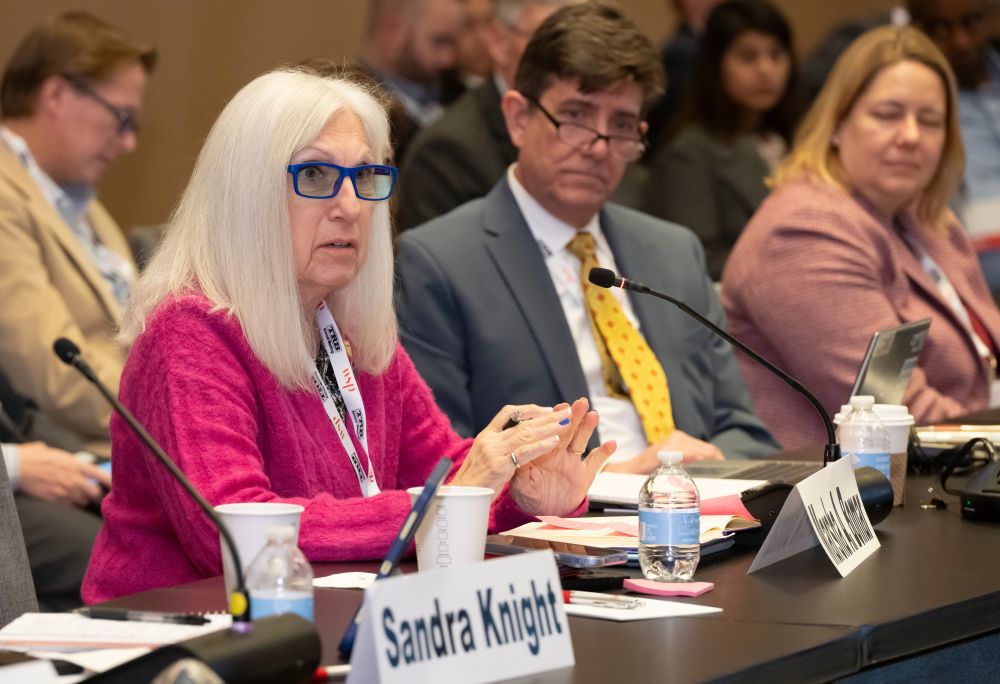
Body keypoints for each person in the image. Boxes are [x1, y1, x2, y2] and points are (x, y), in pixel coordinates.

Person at [82, 69, 613, 602]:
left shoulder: (351, 328)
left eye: (364, 177)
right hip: (182, 640)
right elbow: (233, 532)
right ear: (245, 193)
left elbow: (448, 475)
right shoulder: (189, 332)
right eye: (314, 176)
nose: (351, 206)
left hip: (332, 617)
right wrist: (455, 493)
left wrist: (524, 490)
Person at [397, 2, 779, 476]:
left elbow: (742, 429)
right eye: (575, 115)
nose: (598, 146)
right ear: (518, 118)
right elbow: (442, 464)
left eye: (620, 125)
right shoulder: (439, 262)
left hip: (698, 516)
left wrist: (701, 469)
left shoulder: (674, 251)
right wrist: (606, 480)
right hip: (558, 535)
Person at [722, 25, 1000, 450]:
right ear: (836, 124)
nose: (910, 136)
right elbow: (894, 413)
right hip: (852, 496)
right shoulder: (805, 232)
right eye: (887, 115)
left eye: (929, 121)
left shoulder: (930, 219)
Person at [0, 12, 156, 458]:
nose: (129, 143)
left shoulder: (79, 200)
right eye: (121, 117)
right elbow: (54, 371)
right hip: (71, 454)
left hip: (125, 433)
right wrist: (169, 411)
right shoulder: (5, 195)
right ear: (56, 94)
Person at [642, 0, 799, 281]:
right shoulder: (689, 151)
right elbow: (699, 257)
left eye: (776, 54)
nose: (766, 69)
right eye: (748, 57)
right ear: (716, 65)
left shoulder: (795, 138)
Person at [395, 0, 571, 231]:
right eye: (548, 42)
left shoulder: (602, 139)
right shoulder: (446, 151)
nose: (567, 59)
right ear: (499, 41)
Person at [908, 0, 1000, 294]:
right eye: (939, 28)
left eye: (971, 22)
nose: (960, 41)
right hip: (968, 286)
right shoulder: (911, 108)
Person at [360, 0, 466, 162]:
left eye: (454, 44)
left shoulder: (462, 98)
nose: (448, 59)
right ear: (394, 30)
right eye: (439, 42)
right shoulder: (357, 115)